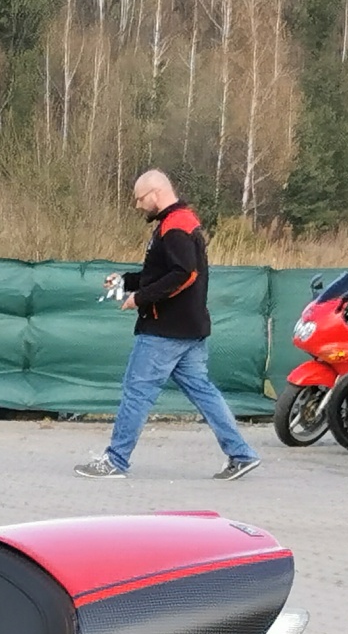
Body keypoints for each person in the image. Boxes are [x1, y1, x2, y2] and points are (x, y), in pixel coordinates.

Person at [76, 169, 259, 482]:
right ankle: (242, 454)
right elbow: (162, 274)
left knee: (137, 392)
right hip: (189, 329)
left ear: (156, 193)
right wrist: (125, 281)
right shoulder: (179, 222)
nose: (138, 205)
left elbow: (183, 273)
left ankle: (115, 461)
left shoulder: (175, 226)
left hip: (164, 331)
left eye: (140, 199)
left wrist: (140, 298)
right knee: (203, 392)